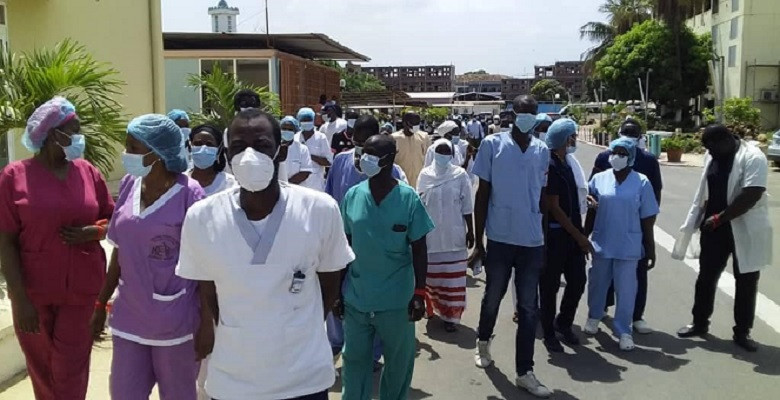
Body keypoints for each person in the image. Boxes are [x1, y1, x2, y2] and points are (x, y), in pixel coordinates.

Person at [176, 108, 354, 400]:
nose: (249, 155)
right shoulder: (201, 217)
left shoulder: (320, 210)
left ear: (279, 150)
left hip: (303, 378)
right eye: (238, 147)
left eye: (261, 145)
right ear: (227, 153)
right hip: (234, 379)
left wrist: (297, 325)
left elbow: (330, 284)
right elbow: (209, 293)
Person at [0, 97, 114, 400]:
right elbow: (6, 241)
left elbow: (116, 219)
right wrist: (21, 299)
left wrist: (95, 231)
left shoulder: (88, 172)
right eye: (73, 131)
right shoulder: (14, 177)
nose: (80, 138)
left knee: (70, 367)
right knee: (41, 366)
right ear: (52, 135)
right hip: (33, 292)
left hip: (82, 289)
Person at [90, 114, 205, 400]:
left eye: (133, 147)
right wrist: (100, 303)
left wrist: (207, 324)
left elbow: (206, 267)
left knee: (178, 395)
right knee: (124, 393)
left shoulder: (189, 194)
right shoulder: (130, 185)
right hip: (130, 318)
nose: (125, 154)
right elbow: (119, 249)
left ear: (157, 152)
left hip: (175, 322)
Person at [337, 134, 434, 400]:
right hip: (357, 297)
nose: (362, 159)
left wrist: (420, 294)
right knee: (354, 362)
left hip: (397, 302)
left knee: (398, 364)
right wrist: (337, 292)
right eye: (362, 152)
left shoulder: (408, 199)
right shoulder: (353, 196)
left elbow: (420, 249)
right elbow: (343, 246)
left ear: (389, 159)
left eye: (370, 154)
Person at [471, 95, 552, 398]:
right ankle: (482, 342)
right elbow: (482, 195)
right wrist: (479, 241)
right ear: (512, 114)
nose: (527, 117)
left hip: (531, 240)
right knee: (493, 296)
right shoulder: (493, 145)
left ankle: (525, 372)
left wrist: (543, 241)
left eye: (532, 112)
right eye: (523, 112)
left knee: (529, 308)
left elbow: (542, 199)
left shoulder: (541, 150)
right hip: (501, 236)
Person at [674, 125, 772, 352]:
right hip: (715, 230)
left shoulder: (753, 157)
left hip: (743, 228)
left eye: (711, 146)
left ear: (726, 140)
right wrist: (705, 217)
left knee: (746, 282)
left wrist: (720, 218)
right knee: (706, 278)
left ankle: (742, 332)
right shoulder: (714, 155)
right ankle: (699, 323)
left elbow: (752, 194)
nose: (709, 152)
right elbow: (708, 190)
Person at [324, 115, 407, 374]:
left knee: (372, 302)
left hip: (375, 248)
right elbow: (329, 198)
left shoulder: (391, 170)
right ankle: (336, 344)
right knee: (337, 295)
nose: (360, 148)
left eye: (366, 143)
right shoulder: (340, 162)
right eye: (356, 142)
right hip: (341, 240)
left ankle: (371, 352)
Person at [583, 137, 659, 352]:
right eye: (614, 153)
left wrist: (650, 247)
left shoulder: (641, 182)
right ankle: (594, 316)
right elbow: (590, 209)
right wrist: (583, 237)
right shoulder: (599, 179)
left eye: (623, 154)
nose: (617, 157)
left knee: (626, 290)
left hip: (629, 244)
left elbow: (647, 218)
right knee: (597, 283)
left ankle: (624, 330)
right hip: (602, 241)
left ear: (631, 157)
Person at [539, 119, 592, 353]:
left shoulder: (567, 162)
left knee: (578, 280)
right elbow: (554, 207)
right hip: (555, 237)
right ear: (563, 138)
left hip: (572, 233)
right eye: (572, 136)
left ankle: (564, 322)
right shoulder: (550, 164)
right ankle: (549, 332)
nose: (574, 140)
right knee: (549, 287)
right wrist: (579, 237)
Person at [416, 139, 474, 332]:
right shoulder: (425, 175)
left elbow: (467, 206)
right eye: (439, 151)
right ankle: (432, 309)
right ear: (433, 153)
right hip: (431, 237)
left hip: (454, 237)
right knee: (432, 279)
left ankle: (452, 317)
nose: (443, 155)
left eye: (446, 152)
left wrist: (471, 231)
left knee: (453, 281)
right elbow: (419, 206)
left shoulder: (460, 175)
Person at [187, 124, 238, 196]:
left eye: (209, 144)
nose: (203, 148)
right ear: (190, 146)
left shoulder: (230, 184)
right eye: (198, 144)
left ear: (218, 149)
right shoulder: (180, 182)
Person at [296, 107, 332, 191]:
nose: (306, 122)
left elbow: (328, 162)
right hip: (299, 184)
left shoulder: (321, 137)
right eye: (303, 120)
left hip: (316, 184)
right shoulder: (296, 138)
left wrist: (308, 155)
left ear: (313, 120)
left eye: (308, 119)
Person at [391, 111, 429, 188]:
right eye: (413, 123)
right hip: (400, 183)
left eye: (417, 123)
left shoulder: (424, 137)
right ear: (404, 123)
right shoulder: (394, 138)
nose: (416, 126)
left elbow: (428, 158)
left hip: (419, 182)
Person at [277, 115, 315, 185]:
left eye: (290, 129)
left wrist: (287, 184)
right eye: (284, 129)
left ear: (295, 131)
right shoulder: (275, 147)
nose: (287, 131)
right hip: (277, 189)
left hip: (296, 189)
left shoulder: (302, 149)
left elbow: (305, 172)